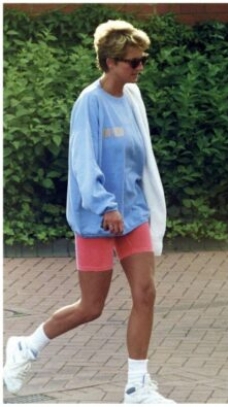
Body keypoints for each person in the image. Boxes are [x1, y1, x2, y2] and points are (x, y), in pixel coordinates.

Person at [3, 20, 173, 404]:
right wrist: (105, 205)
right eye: (133, 61)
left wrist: (132, 207)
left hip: (133, 215)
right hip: (98, 220)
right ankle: (25, 347)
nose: (140, 67)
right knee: (91, 307)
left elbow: (139, 160)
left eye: (142, 59)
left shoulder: (132, 99)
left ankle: (137, 388)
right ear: (110, 62)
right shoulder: (89, 103)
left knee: (145, 293)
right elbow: (83, 164)